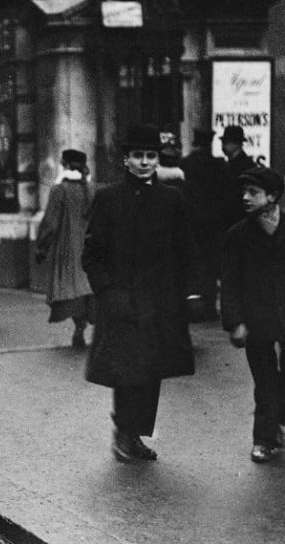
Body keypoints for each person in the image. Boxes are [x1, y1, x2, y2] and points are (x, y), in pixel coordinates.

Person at [82, 124, 202, 463]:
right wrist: (107, 293)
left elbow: (186, 249)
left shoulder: (171, 199)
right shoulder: (108, 199)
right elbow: (91, 255)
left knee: (152, 370)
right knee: (126, 369)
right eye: (138, 156)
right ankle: (123, 431)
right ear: (126, 160)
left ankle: (136, 435)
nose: (145, 162)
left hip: (161, 303)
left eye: (151, 156)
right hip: (120, 300)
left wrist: (191, 293)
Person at [221, 167, 285, 463]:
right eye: (244, 192)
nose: (245, 198)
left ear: (273, 196)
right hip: (257, 321)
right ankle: (264, 440)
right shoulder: (237, 236)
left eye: (253, 192)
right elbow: (229, 283)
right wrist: (235, 322)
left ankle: (275, 421)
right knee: (265, 382)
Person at [35, 149, 95, 348]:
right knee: (86, 287)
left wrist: (41, 247)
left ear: (65, 165)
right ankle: (83, 325)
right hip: (90, 247)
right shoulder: (92, 189)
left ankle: (79, 326)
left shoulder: (59, 190)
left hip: (67, 248)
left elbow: (51, 223)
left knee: (70, 289)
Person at [180, 128, 229, 320]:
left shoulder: (184, 164)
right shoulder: (218, 165)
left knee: (193, 263)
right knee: (211, 264)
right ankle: (208, 307)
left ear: (194, 142)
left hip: (191, 222)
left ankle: (192, 306)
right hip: (214, 224)